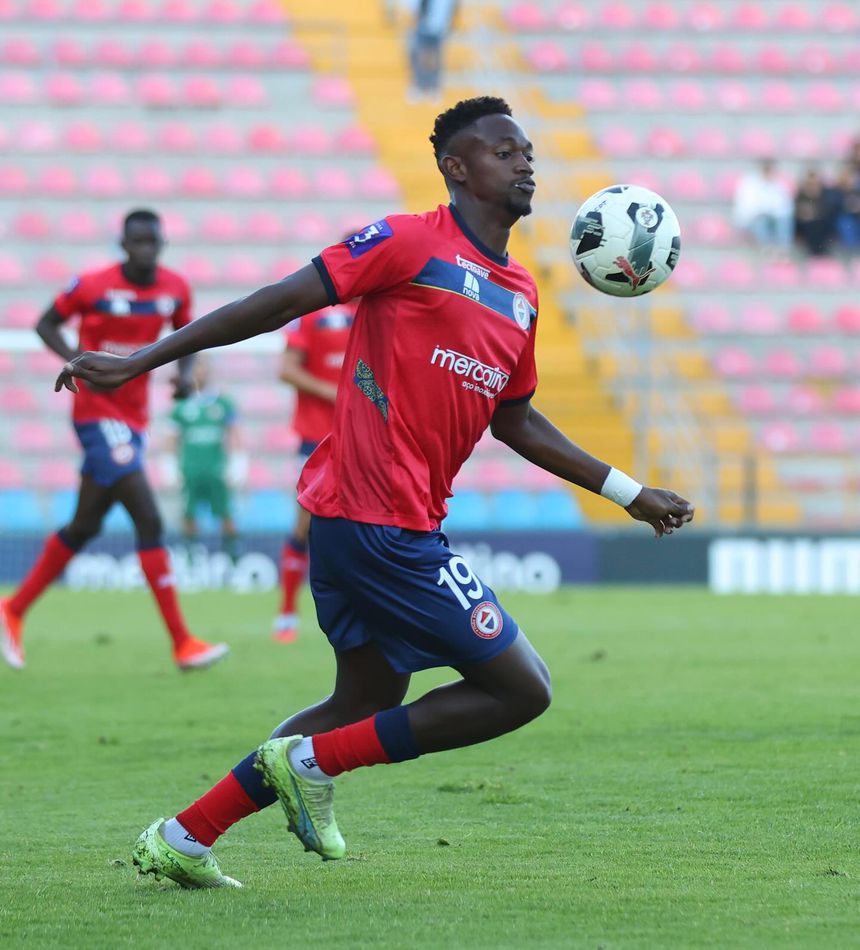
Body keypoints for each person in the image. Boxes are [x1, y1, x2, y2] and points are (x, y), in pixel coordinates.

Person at [55, 97, 694, 889]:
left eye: (528, 151)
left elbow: (516, 421)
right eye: (504, 151)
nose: (525, 163)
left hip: (380, 523)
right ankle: (309, 766)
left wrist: (627, 491)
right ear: (456, 167)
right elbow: (281, 300)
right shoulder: (406, 241)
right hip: (374, 521)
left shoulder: (520, 295)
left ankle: (183, 838)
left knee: (360, 701)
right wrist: (144, 357)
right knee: (522, 689)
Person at [0, 209, 228, 672]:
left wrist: (186, 378)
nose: (145, 249)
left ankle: (13, 609)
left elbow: (189, 339)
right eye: (137, 242)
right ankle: (182, 642)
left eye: (152, 242)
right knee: (147, 517)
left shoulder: (175, 288)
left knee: (83, 526)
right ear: (123, 244)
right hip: (96, 414)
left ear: (161, 244)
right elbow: (46, 324)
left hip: (134, 417)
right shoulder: (91, 285)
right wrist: (76, 361)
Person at [273, 300, 355, 643]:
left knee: (364, 527)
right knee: (305, 525)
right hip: (317, 437)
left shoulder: (384, 308)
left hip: (366, 436)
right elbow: (286, 369)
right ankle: (288, 612)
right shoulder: (313, 314)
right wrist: (334, 392)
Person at [167, 356, 244, 562]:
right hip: (190, 469)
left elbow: (234, 433)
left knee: (225, 514)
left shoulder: (223, 402)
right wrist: (169, 465)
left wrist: (238, 462)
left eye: (201, 367)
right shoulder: (181, 404)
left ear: (208, 371)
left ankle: (233, 558)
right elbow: (172, 439)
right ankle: (191, 559)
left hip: (217, 468)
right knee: (188, 515)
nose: (198, 372)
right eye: (194, 368)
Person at [731, 157, 794, 256]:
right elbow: (745, 207)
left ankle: (783, 248)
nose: (768, 171)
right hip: (755, 218)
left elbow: (784, 206)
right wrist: (760, 213)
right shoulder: (749, 183)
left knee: (784, 219)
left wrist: (772, 213)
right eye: (766, 168)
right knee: (760, 221)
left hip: (774, 219)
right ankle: (766, 247)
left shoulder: (778, 184)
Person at [408, 0, 459, 100]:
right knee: (419, 56)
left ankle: (434, 86)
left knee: (436, 58)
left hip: (439, 28)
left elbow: (452, 10)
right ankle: (419, 84)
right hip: (422, 27)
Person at [794, 166, 839, 257]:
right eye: (810, 183)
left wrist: (814, 213)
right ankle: (814, 253)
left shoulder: (825, 194)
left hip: (820, 222)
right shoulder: (801, 194)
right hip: (805, 224)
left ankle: (820, 252)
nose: (812, 185)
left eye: (814, 183)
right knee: (810, 225)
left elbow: (828, 210)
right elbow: (798, 210)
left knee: (820, 224)